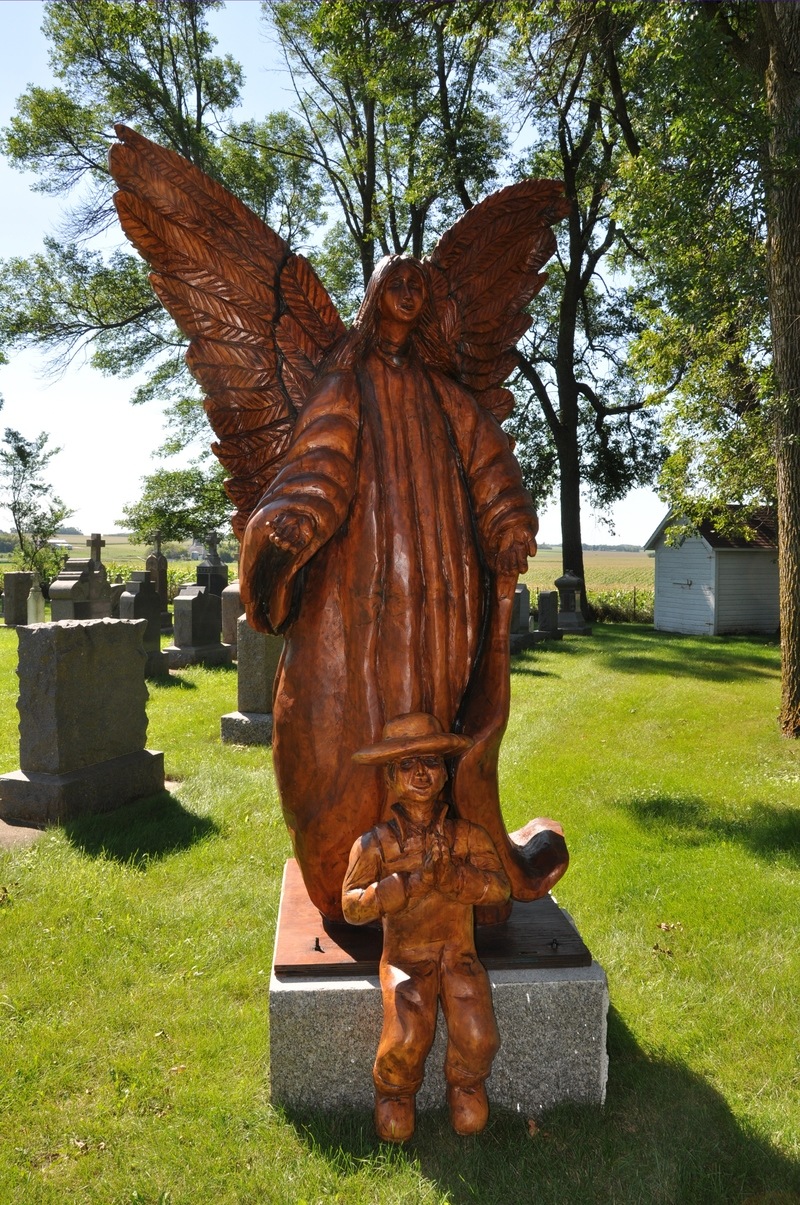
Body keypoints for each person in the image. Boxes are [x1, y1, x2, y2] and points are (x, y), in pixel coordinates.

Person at [240, 255, 542, 921]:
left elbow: (490, 462)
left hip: (440, 600)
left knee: (432, 714)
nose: (408, 289)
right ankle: (351, 867)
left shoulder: (443, 394)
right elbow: (318, 461)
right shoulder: (345, 379)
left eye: (419, 283)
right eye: (395, 280)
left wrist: (507, 520)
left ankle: (445, 862)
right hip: (357, 591)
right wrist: (292, 527)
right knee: (340, 727)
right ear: (375, 296)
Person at [342, 712, 511, 1142]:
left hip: (458, 954)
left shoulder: (467, 837)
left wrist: (457, 880)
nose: (421, 773)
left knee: (478, 1034)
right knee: (405, 1039)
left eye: (432, 763)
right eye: (407, 764)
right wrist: (397, 889)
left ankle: (466, 1081)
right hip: (406, 959)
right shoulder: (375, 844)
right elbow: (350, 905)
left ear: (445, 773)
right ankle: (394, 1092)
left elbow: (500, 890)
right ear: (390, 778)